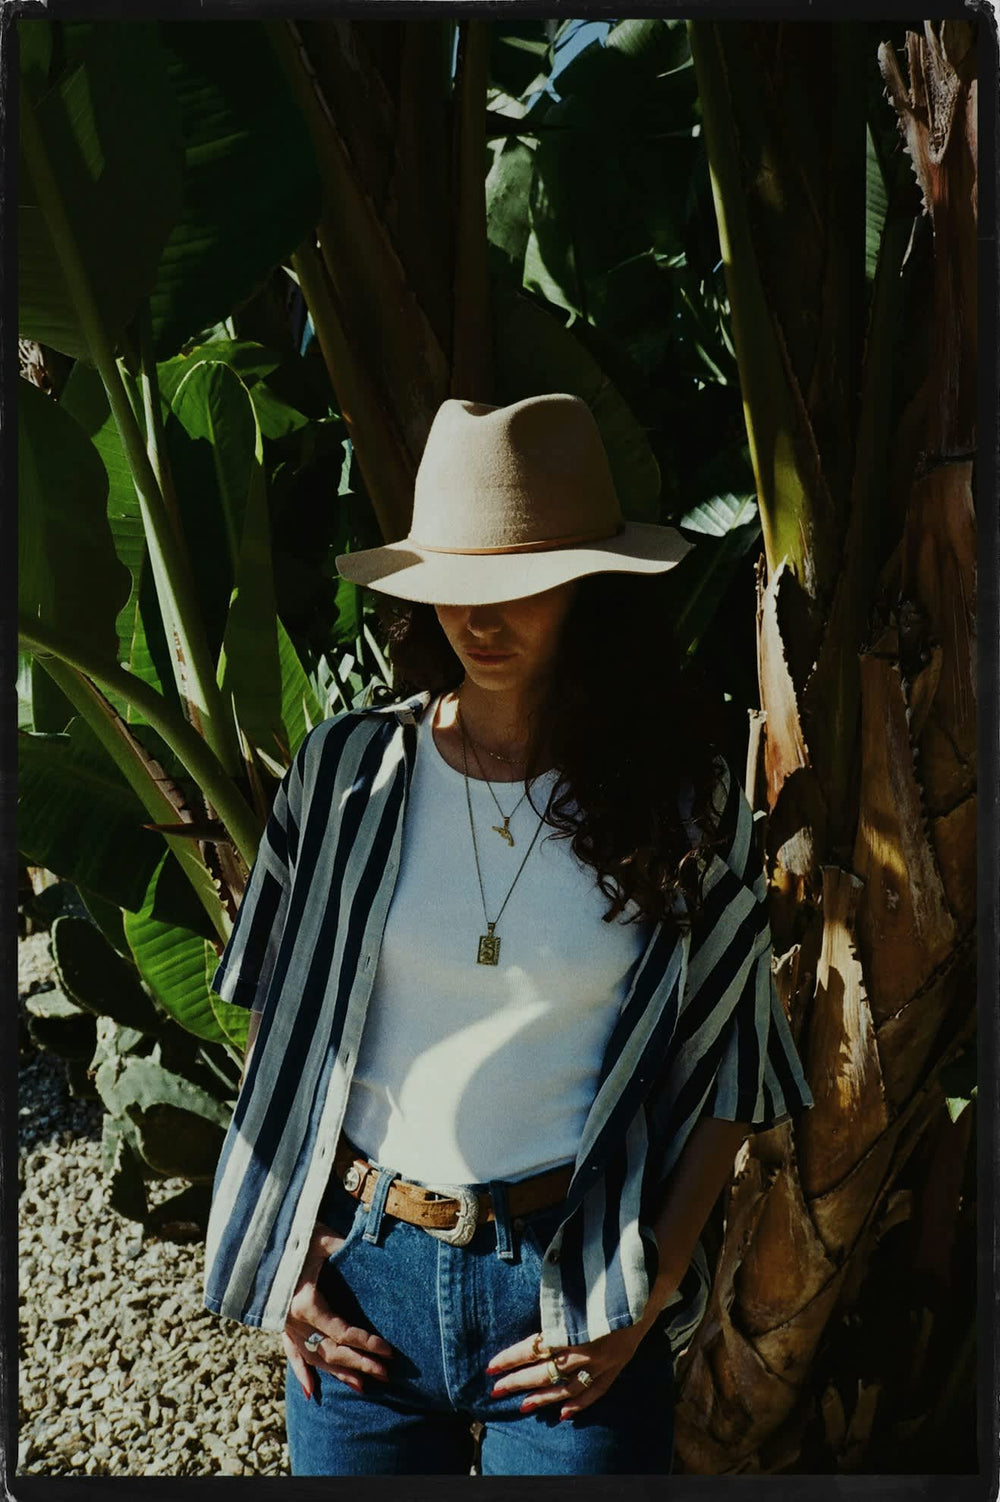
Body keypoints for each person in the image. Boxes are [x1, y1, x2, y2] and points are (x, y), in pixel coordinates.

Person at [202, 393, 813, 1476]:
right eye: (451, 587)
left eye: (515, 585)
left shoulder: (679, 798)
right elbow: (276, 1023)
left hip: (569, 1278)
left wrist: (651, 1292)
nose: (478, 619)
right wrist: (287, 1251)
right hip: (364, 1277)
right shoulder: (348, 772)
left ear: (587, 583)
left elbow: (734, 1066)